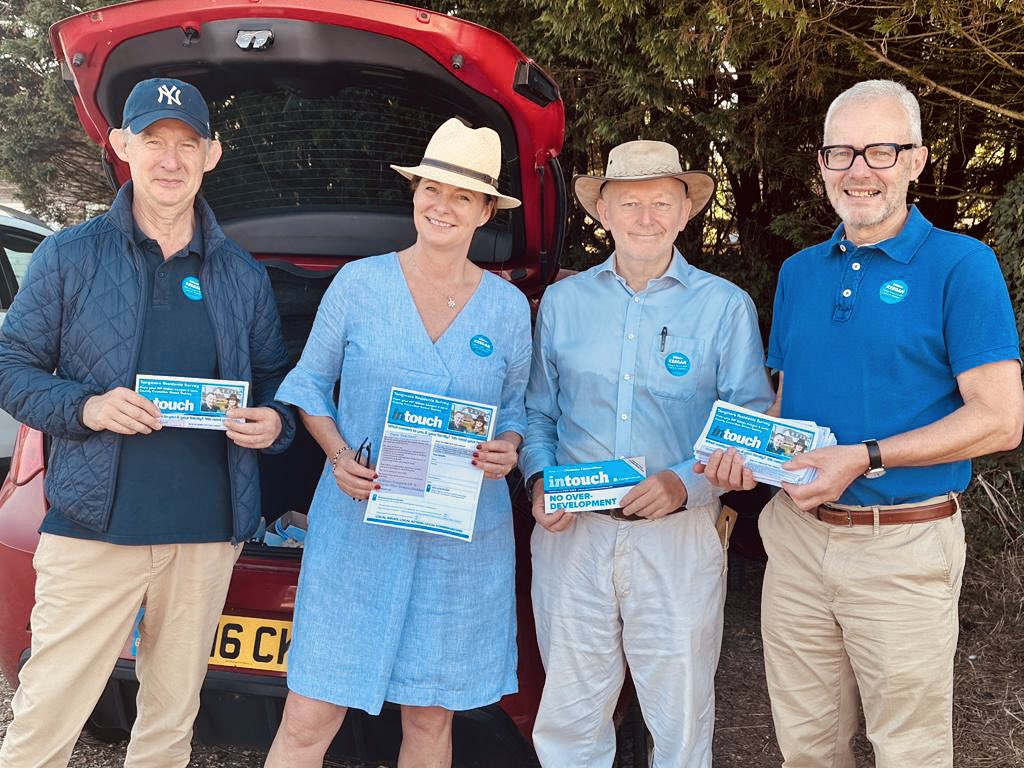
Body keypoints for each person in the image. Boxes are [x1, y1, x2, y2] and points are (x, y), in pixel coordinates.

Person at [699, 80, 1024, 768]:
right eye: (840, 152)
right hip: (798, 540)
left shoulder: (962, 266)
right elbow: (786, 409)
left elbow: (1000, 420)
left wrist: (865, 457)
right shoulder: (799, 272)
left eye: (881, 151)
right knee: (808, 750)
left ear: (917, 161)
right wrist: (744, 457)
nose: (858, 170)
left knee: (909, 752)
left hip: (902, 548)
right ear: (821, 165)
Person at [0, 78, 294, 768]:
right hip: (93, 531)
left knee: (169, 726)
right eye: (153, 142)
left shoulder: (242, 275)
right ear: (122, 146)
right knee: (45, 718)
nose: (170, 159)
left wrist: (272, 422)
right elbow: (11, 366)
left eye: (185, 143)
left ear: (211, 155)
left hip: (205, 537)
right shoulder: (69, 256)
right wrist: (86, 406)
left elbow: (277, 382)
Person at [264, 118, 531, 768]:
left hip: (458, 544)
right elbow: (307, 385)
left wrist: (510, 446)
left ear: (486, 210)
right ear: (413, 194)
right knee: (309, 714)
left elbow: (519, 409)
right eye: (431, 188)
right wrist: (333, 455)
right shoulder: (359, 284)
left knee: (431, 723)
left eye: (462, 196)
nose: (442, 205)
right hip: (358, 531)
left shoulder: (506, 307)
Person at [520, 140, 775, 767]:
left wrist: (687, 483)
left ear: (685, 212)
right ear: (602, 212)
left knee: (681, 719)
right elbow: (537, 412)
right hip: (572, 537)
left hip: (679, 539)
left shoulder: (724, 307)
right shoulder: (562, 303)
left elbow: (750, 423)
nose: (646, 217)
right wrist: (538, 481)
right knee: (571, 719)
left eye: (661, 202)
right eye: (629, 202)